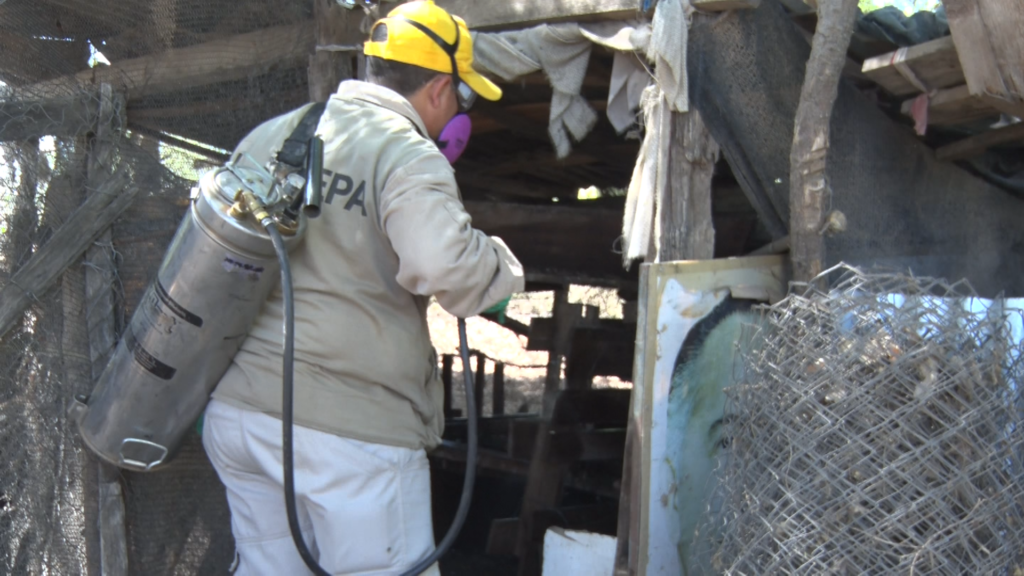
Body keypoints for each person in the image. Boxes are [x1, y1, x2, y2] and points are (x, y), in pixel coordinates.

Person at [200, 2, 524, 574]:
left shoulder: (274, 134)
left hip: (242, 417)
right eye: (463, 97)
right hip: (350, 440)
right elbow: (447, 266)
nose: (458, 112)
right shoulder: (406, 152)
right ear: (439, 89)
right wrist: (501, 269)